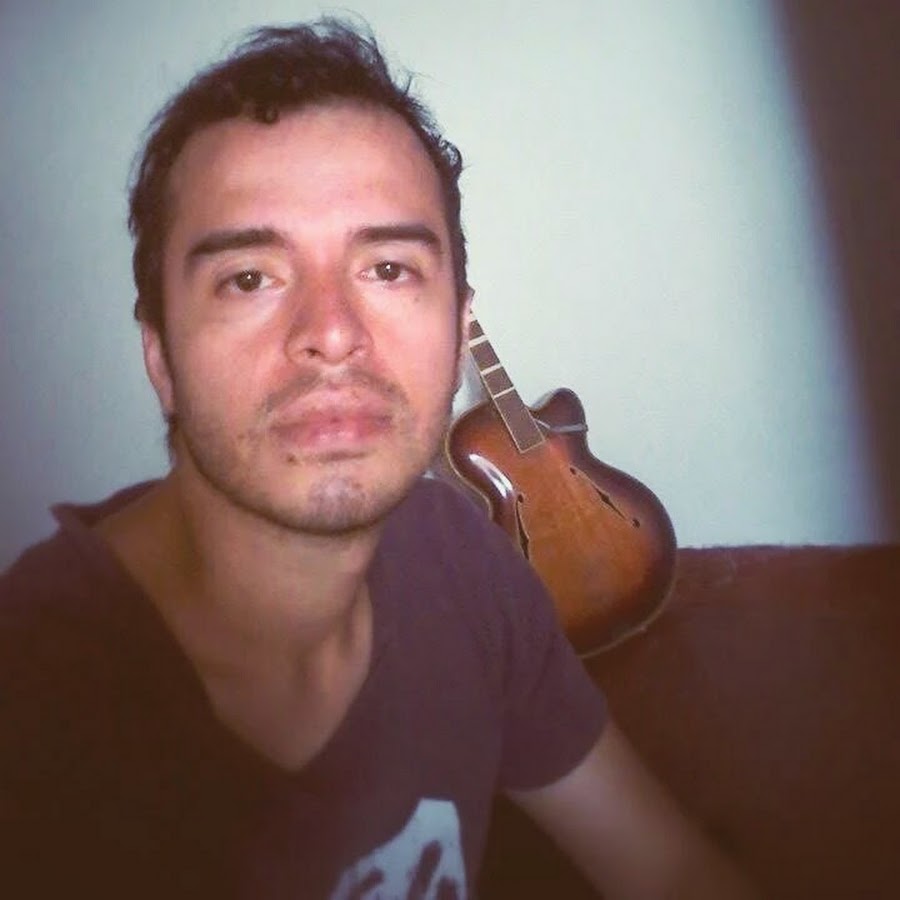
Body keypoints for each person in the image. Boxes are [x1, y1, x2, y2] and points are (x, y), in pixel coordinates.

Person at [0, 18, 757, 899]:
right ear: (161, 358)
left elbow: (665, 868)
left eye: (389, 269)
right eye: (249, 277)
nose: (331, 333)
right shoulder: (38, 694)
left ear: (458, 331)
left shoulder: (463, 556)